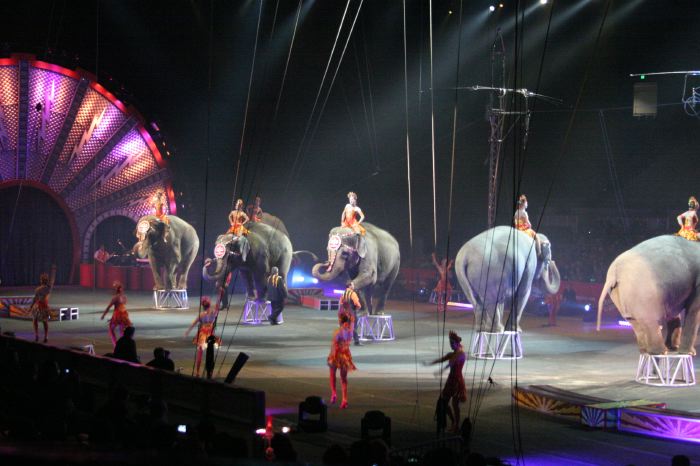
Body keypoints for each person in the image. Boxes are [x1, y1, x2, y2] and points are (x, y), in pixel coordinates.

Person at [425, 331, 467, 433]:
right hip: (450, 380)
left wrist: (442, 370)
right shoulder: (452, 354)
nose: (451, 345)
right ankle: (453, 421)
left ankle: (456, 425)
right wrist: (429, 363)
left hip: (457, 381)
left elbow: (451, 363)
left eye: (452, 343)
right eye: (450, 343)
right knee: (443, 401)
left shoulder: (461, 354)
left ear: (457, 343)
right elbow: (442, 359)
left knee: (455, 404)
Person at [185, 297, 220, 377]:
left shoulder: (202, 314)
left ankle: (199, 371)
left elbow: (193, 323)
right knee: (209, 354)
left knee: (201, 354)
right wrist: (220, 295)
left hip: (204, 334)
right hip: (207, 335)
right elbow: (217, 305)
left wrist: (188, 331)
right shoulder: (213, 313)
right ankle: (207, 371)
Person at [327, 313, 357, 409]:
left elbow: (334, 345)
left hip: (337, 354)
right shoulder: (350, 331)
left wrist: (331, 356)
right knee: (343, 378)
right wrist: (352, 320)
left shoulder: (338, 332)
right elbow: (352, 323)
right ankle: (344, 399)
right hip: (345, 355)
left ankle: (334, 393)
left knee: (332, 374)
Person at [101, 281, 132, 348]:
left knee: (112, 329)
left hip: (118, 315)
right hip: (123, 314)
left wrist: (103, 315)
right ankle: (122, 346)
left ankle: (116, 345)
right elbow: (123, 303)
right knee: (121, 331)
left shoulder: (116, 297)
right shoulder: (124, 297)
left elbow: (109, 307)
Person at [30, 265, 56, 343]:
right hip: (44, 307)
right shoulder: (49, 288)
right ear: (47, 281)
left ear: (41, 281)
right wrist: (54, 270)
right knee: (45, 322)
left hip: (38, 306)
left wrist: (31, 307)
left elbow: (35, 299)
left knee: (35, 320)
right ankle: (46, 336)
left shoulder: (37, 289)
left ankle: (36, 335)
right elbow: (52, 280)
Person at [339, 281, 362, 345]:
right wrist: (358, 307)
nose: (353, 286)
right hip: (351, 312)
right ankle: (356, 341)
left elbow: (341, 302)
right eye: (352, 285)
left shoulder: (343, 293)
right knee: (354, 327)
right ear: (350, 286)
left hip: (344, 312)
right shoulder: (353, 293)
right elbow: (356, 303)